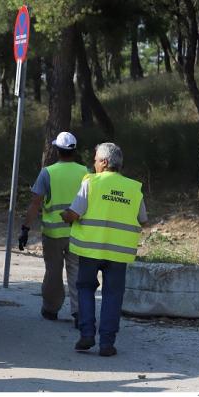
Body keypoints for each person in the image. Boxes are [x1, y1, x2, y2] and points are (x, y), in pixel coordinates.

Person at [61, 142, 147, 357]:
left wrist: (65, 215)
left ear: (105, 162)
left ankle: (87, 335)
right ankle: (107, 344)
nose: (94, 164)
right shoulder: (133, 187)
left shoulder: (91, 182)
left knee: (85, 289)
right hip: (118, 253)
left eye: (96, 160)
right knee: (113, 296)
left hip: (90, 250)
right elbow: (142, 219)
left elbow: (74, 213)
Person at [21, 131, 88, 327]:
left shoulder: (47, 172)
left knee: (53, 273)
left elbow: (35, 203)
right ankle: (79, 313)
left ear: (57, 150)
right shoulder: (86, 172)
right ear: (74, 150)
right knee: (77, 273)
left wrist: (25, 228)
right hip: (78, 232)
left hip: (53, 234)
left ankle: (51, 309)